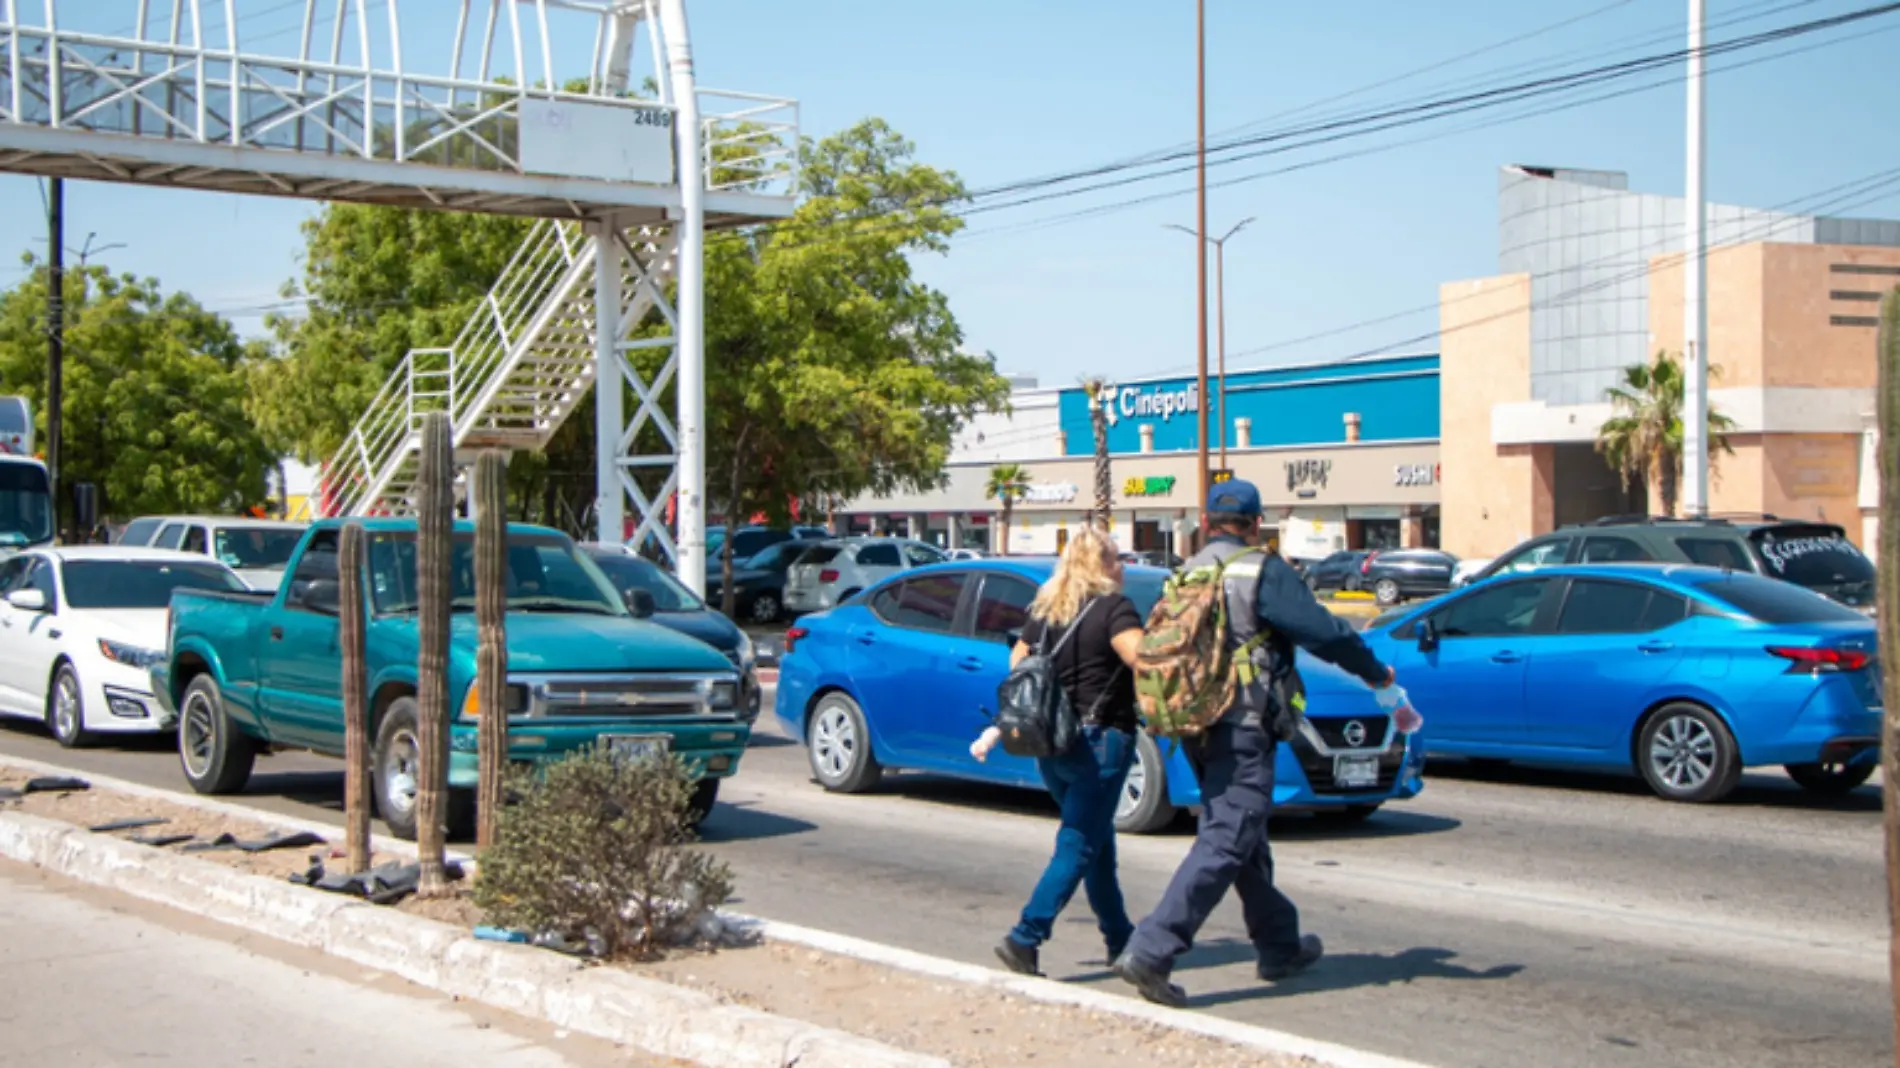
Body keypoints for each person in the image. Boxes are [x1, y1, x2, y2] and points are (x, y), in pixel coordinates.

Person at [1113, 479, 1404, 1007]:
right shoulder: (1261, 569)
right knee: (1228, 836)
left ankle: (1279, 944)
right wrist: (1376, 673)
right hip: (1243, 724)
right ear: (1254, 523)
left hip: (1196, 723)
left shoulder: (1185, 573)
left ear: (1206, 523)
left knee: (1243, 835)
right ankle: (1152, 948)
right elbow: (1326, 632)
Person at [981, 524, 1146, 978]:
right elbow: (1137, 656)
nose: (1123, 567)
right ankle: (1025, 937)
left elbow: (1018, 662)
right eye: (1117, 559)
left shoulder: (1050, 608)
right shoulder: (1115, 609)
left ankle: (1121, 941)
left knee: (1096, 847)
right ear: (1102, 565)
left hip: (1052, 742)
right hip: (1101, 741)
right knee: (1076, 845)